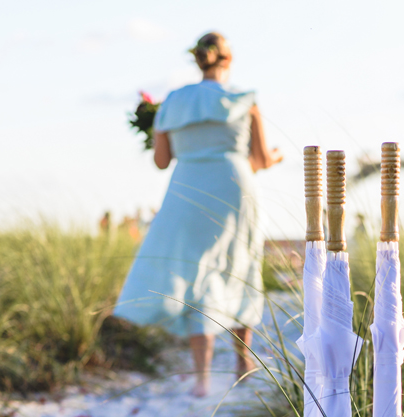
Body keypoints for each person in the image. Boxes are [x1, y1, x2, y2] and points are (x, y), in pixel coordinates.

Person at [113, 31, 282, 395]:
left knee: (195, 270)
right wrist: (276, 157)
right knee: (240, 265)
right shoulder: (244, 99)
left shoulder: (174, 101)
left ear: (197, 59)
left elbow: (161, 161)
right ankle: (243, 360)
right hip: (234, 186)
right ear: (228, 59)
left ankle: (203, 378)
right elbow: (261, 160)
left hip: (187, 187)